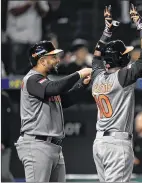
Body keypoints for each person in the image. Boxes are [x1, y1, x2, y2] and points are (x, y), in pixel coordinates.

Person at [91, 4, 142, 182]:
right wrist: (141, 26)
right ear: (121, 58)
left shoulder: (96, 75)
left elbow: (96, 56)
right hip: (117, 143)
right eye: (125, 53)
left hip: (99, 143)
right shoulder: (123, 77)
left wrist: (106, 31)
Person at [15, 40, 92, 182]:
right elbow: (54, 88)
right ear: (42, 60)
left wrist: (82, 85)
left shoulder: (45, 82)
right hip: (37, 144)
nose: (57, 60)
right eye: (53, 57)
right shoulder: (32, 79)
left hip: (53, 147)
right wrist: (78, 74)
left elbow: (66, 101)